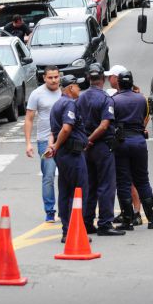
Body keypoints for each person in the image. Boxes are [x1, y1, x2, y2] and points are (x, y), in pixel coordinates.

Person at [112, 71, 153, 230]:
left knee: (123, 181)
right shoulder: (141, 99)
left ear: (119, 84)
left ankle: (127, 221)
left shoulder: (114, 100)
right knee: (142, 180)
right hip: (139, 141)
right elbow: (144, 117)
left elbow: (111, 121)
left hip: (122, 142)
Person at [77, 63, 125, 236]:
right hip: (101, 146)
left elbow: (76, 122)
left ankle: (87, 221)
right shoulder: (106, 99)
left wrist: (85, 141)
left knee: (90, 185)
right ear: (103, 79)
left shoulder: (80, 98)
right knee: (106, 185)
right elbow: (105, 125)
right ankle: (105, 223)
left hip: (86, 148)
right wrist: (90, 139)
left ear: (89, 78)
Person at [44, 75, 89, 243]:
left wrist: (52, 146)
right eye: (78, 86)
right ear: (70, 88)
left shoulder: (57, 105)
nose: (80, 89)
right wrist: (55, 146)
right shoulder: (69, 103)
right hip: (72, 154)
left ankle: (66, 230)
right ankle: (75, 230)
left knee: (65, 192)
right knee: (78, 192)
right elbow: (66, 128)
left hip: (63, 155)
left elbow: (52, 132)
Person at [105, 64, 144, 226]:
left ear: (118, 79)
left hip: (122, 142)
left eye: (111, 77)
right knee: (126, 181)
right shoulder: (136, 96)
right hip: (134, 140)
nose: (109, 79)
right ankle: (127, 212)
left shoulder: (115, 98)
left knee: (128, 181)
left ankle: (134, 213)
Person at [24, 66, 62, 223]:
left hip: (66, 140)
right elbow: (29, 119)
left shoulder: (66, 91)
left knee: (68, 177)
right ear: (44, 78)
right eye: (50, 77)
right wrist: (28, 143)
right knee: (48, 177)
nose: (54, 80)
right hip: (45, 142)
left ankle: (65, 209)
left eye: (56, 77)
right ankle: (50, 211)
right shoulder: (37, 94)